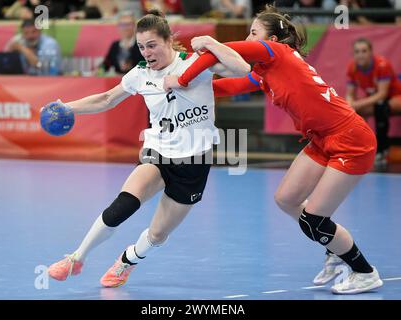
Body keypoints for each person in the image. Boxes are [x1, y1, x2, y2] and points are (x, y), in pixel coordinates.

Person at [164, 4, 384, 294]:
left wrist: (181, 78)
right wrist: (192, 90)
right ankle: (333, 246)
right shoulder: (267, 70)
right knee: (286, 199)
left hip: (350, 139)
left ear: (273, 40)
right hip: (321, 138)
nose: (249, 37)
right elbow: (231, 86)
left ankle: (364, 271)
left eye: (254, 32)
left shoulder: (277, 53)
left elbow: (218, 51)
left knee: (315, 219)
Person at [47, 10, 250, 288]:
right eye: (141, 46)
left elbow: (243, 69)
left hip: (194, 163)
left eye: (152, 45)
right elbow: (106, 98)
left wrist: (212, 44)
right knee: (124, 204)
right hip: (157, 153)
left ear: (168, 41)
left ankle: (127, 260)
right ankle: (76, 258)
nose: (146, 52)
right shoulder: (140, 74)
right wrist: (67, 107)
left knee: (157, 235)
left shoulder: (195, 63)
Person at [346, 37, 401, 165]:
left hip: (395, 97)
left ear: (371, 52)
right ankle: (357, 149)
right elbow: (350, 94)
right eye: (357, 52)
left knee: (381, 106)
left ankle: (382, 150)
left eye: (364, 51)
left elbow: (382, 94)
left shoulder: (382, 65)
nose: (360, 55)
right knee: (351, 112)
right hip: (376, 101)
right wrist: (349, 105)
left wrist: (355, 104)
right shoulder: (352, 67)